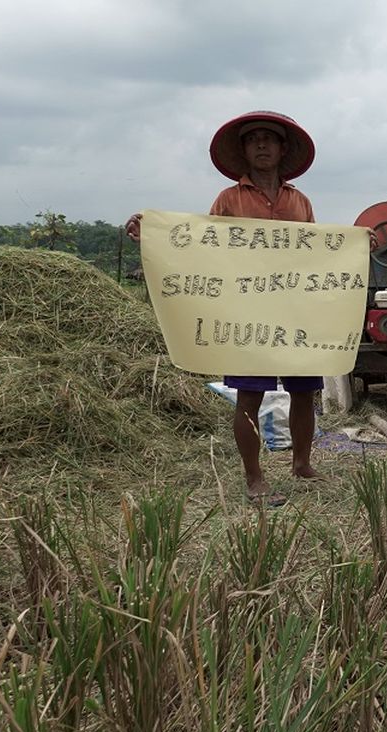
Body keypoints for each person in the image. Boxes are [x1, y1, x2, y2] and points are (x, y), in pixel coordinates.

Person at [125, 110, 322, 506]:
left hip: (294, 310)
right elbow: (201, 245)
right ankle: (254, 477)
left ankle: (302, 464)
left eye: (269, 138)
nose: (262, 144)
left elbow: (319, 253)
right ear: (245, 151)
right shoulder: (229, 199)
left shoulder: (300, 201)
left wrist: (357, 246)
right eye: (253, 139)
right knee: (250, 395)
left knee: (304, 393)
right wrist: (153, 235)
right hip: (247, 313)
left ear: (283, 148)